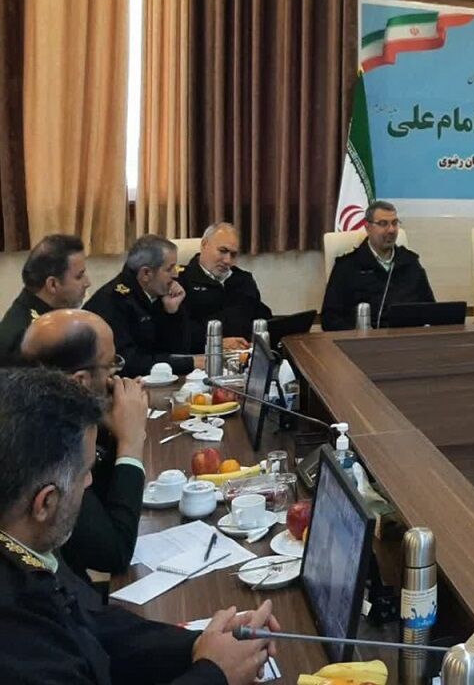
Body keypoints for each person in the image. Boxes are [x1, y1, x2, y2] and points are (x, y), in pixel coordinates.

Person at [0, 366, 279, 684]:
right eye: (86, 471)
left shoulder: (24, 550)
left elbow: (92, 627)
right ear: (45, 503)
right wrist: (215, 674)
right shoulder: (14, 629)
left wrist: (201, 644)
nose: (89, 482)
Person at [18, 310, 146, 579]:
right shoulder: (46, 448)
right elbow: (113, 553)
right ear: (79, 382)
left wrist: (110, 428)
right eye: (111, 365)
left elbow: (104, 504)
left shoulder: (38, 411)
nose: (115, 377)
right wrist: (130, 443)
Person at [84, 236, 194, 379]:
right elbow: (127, 363)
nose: (176, 274)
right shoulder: (113, 302)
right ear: (146, 274)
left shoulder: (160, 292)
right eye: (169, 269)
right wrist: (188, 363)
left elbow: (180, 350)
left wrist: (172, 313)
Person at [320, 200, 435, 331]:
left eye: (394, 223)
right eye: (383, 224)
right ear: (368, 227)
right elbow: (329, 318)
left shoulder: (410, 263)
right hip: (364, 340)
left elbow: (431, 310)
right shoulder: (347, 267)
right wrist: (357, 333)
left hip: (407, 338)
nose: (391, 230)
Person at [178, 223, 272, 354]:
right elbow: (177, 332)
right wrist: (216, 343)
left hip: (245, 356)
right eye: (222, 251)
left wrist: (257, 341)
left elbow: (261, 318)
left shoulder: (244, 280)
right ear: (204, 245)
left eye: (233, 255)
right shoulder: (182, 280)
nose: (228, 260)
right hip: (204, 357)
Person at [0, 234, 91, 361]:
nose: (87, 283)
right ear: (52, 284)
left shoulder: (49, 316)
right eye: (79, 276)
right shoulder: (30, 340)